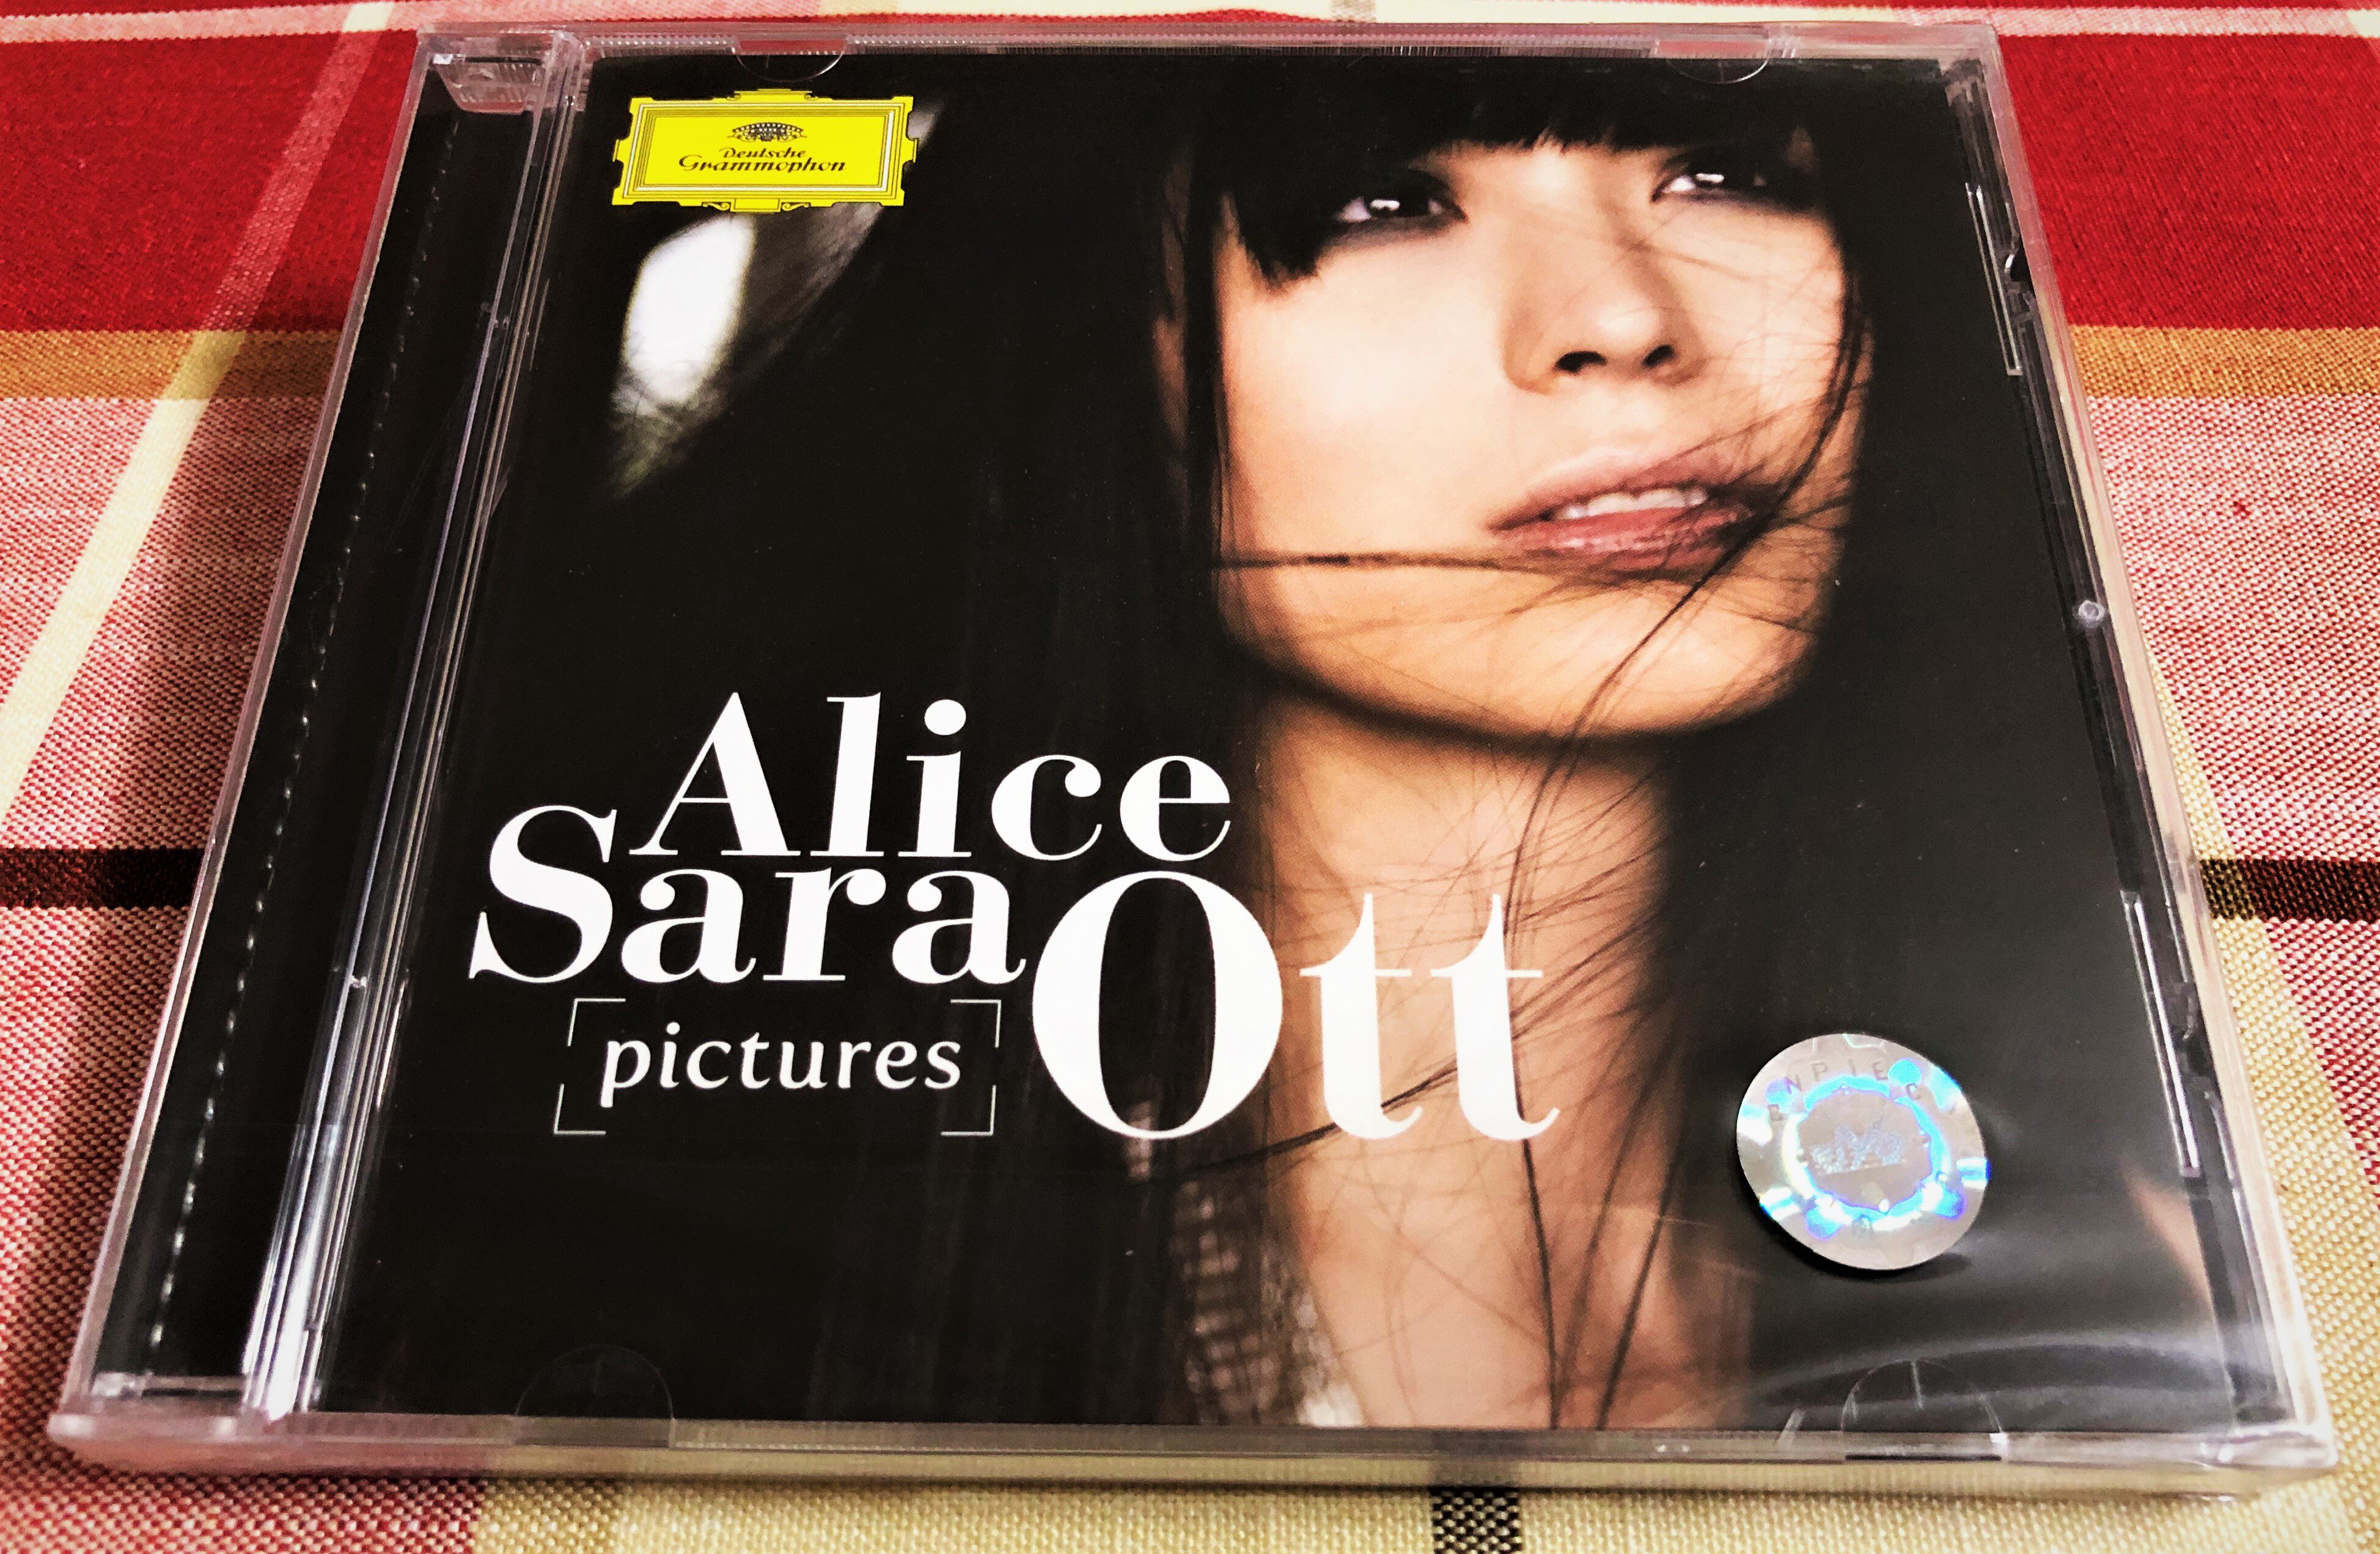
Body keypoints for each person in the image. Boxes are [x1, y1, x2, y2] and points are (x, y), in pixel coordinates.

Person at [334, 49, 2231, 1433]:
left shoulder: (2124, 1248)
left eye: (1727, 171)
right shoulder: (671, 1259)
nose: (1619, 321)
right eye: (1388, 200)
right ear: (1102, 341)